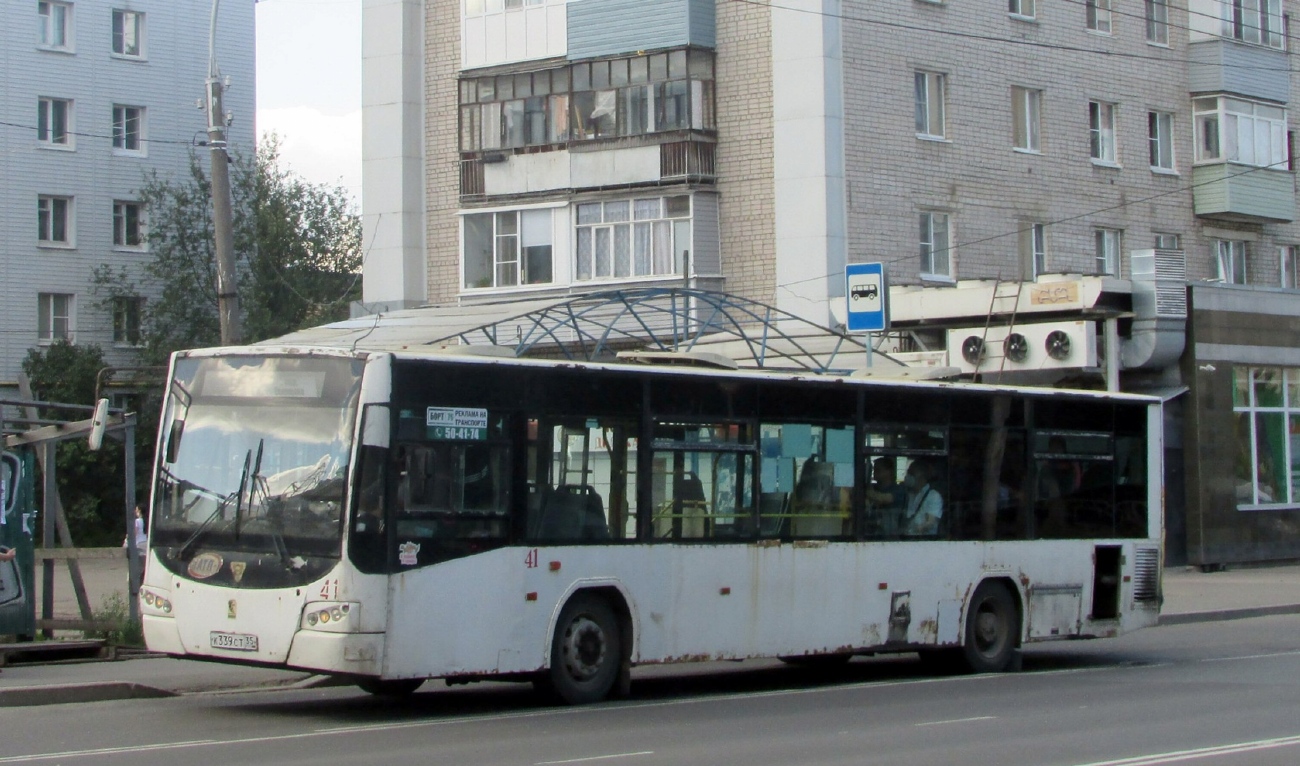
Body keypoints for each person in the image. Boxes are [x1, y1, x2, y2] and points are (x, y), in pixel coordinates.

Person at [865, 457, 908, 536]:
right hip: (871, 531)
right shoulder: (874, 487)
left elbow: (883, 498)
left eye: (878, 470)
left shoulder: (898, 489)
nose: (874, 472)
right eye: (874, 470)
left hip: (889, 534)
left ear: (889, 472)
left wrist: (866, 491)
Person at [902, 460, 943, 536]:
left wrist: (916, 529)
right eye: (908, 473)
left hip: (924, 541)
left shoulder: (933, 496)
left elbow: (931, 522)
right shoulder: (908, 495)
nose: (908, 476)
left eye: (912, 473)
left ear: (922, 476)